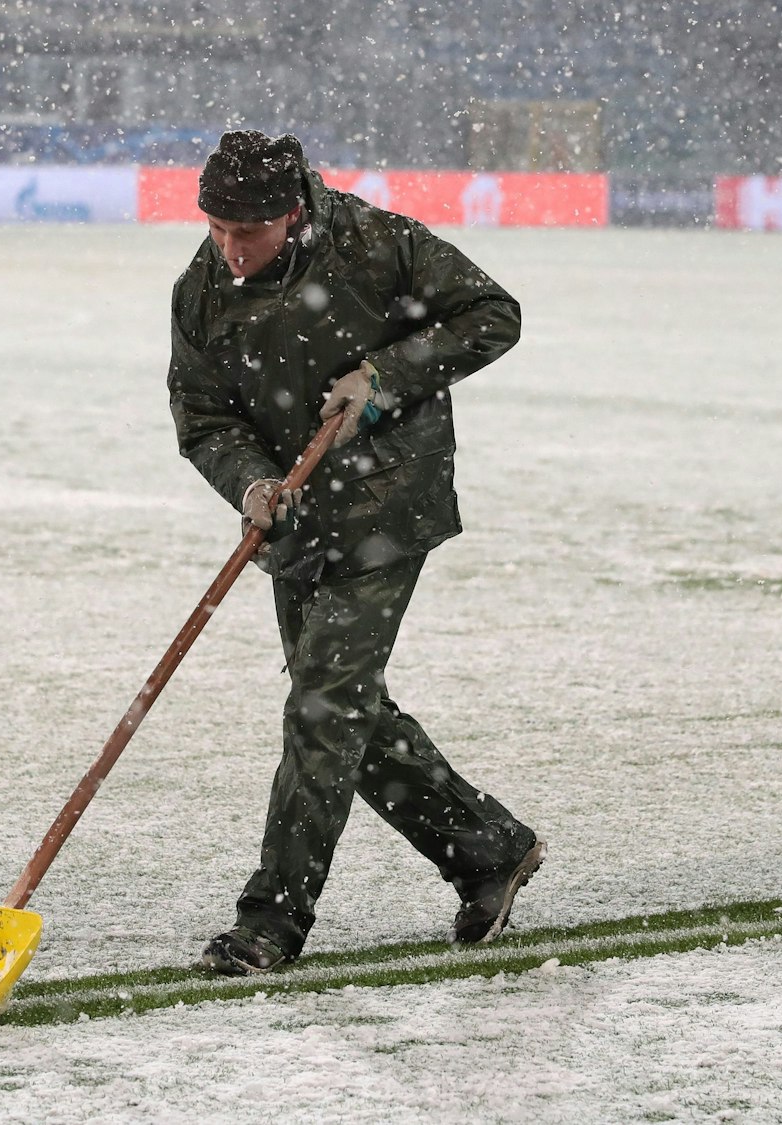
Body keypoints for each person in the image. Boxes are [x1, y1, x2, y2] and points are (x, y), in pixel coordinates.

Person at [166, 129, 545, 976]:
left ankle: (271, 920)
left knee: (322, 707)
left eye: (248, 231)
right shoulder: (202, 290)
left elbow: (493, 315)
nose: (230, 248)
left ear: (291, 212)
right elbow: (204, 417)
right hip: (295, 523)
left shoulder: (378, 244)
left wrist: (387, 375)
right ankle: (488, 849)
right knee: (345, 709)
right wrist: (255, 484)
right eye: (217, 227)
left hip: (386, 501)